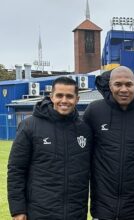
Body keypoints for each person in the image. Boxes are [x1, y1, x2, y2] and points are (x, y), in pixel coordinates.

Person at [83, 66, 134, 220]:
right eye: (118, 84)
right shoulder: (94, 111)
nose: (123, 89)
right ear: (110, 85)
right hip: (102, 208)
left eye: (128, 84)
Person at [7, 77, 93, 220]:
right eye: (59, 95)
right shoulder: (30, 126)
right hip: (40, 213)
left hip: (76, 213)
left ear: (77, 99)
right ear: (51, 97)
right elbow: (16, 170)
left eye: (69, 96)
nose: (64, 100)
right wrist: (18, 210)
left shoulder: (84, 130)